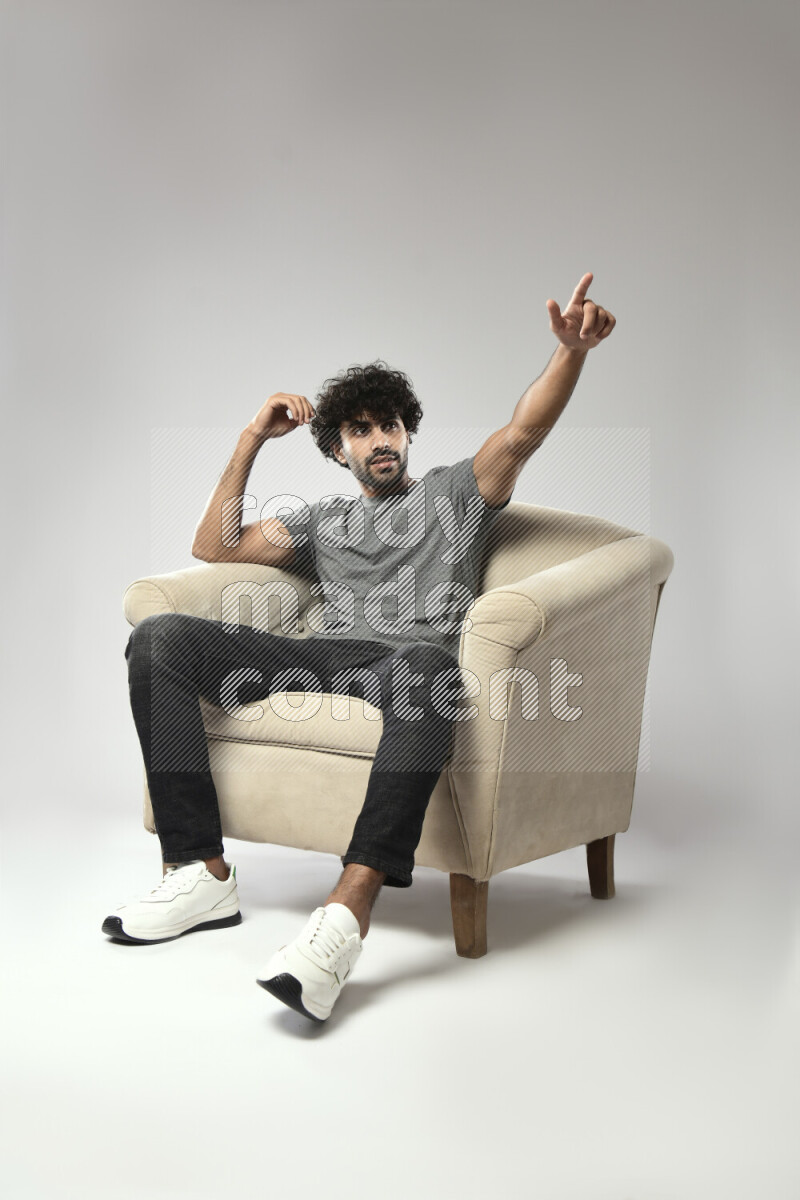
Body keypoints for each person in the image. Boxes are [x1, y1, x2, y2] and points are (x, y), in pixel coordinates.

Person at [103, 272, 615, 1023]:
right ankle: (200, 872)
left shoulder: (455, 495)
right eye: (361, 430)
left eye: (390, 426)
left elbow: (523, 433)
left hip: (407, 664)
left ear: (408, 434)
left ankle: (344, 916)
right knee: (161, 637)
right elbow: (214, 546)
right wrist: (252, 437)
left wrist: (570, 354)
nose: (379, 440)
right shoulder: (321, 520)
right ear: (338, 449)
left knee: (429, 673)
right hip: (322, 656)